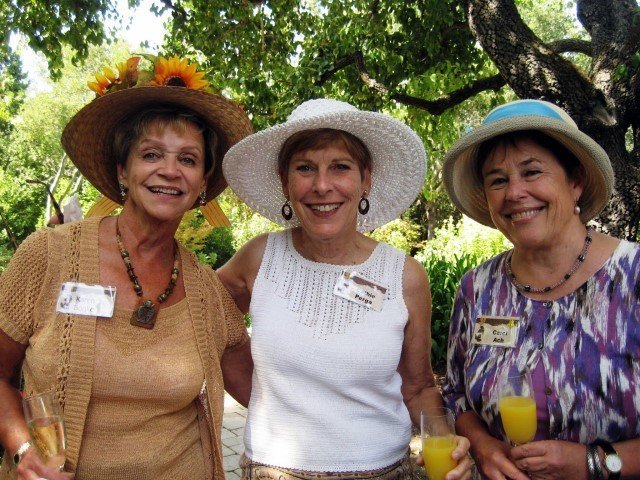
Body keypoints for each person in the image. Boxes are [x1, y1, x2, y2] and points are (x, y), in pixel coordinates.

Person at [0, 54, 254, 480]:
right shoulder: (48, 254)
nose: (170, 171)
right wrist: (23, 447)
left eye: (188, 160)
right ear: (123, 171)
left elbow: (262, 391)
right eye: (151, 154)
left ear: (202, 185)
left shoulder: (206, 291)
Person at [218, 98, 472, 480]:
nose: (322, 186)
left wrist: (445, 440)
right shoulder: (259, 258)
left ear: (365, 179)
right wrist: (262, 398)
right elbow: (204, 315)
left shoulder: (405, 276)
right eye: (305, 168)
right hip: (273, 471)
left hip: (384, 472)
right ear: (285, 181)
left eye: (340, 167)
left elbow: (418, 387)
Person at [441, 99, 640, 480]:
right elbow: (456, 397)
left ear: (576, 181)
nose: (515, 192)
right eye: (498, 180)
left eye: (532, 172)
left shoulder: (632, 277)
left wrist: (593, 463)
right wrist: (483, 446)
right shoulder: (476, 288)